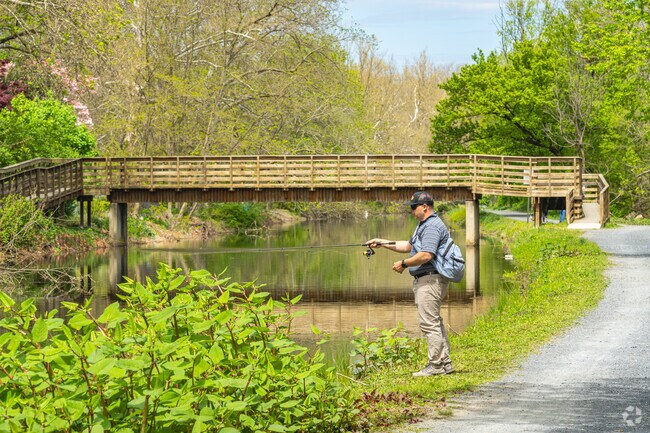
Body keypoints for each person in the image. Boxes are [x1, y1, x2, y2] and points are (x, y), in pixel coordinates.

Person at [366, 191, 454, 377]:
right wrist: (382, 242)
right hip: (429, 279)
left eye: (414, 207)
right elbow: (408, 246)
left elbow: (426, 255)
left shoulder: (431, 227)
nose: (412, 211)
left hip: (430, 280)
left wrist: (404, 264)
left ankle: (436, 365)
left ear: (425, 207)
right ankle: (445, 363)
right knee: (435, 322)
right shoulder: (424, 225)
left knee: (429, 323)